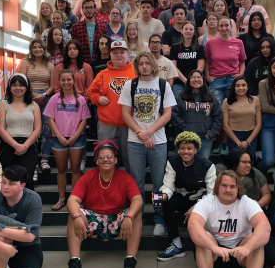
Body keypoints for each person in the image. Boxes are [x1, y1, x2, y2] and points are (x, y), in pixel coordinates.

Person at [188, 170, 271, 268]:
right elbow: (193, 225)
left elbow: (265, 227)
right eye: (224, 185)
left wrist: (247, 248)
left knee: (255, 239)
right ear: (217, 187)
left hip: (241, 257)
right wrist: (214, 247)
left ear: (238, 188)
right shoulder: (207, 201)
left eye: (232, 186)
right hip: (214, 256)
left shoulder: (247, 202)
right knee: (203, 237)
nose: (228, 190)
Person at [64, 140, 143, 268]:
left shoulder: (124, 177)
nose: (105, 160)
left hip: (118, 221)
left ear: (115, 159)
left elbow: (137, 199)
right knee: (73, 214)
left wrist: (128, 216)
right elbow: (73, 200)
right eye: (102, 157)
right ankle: (74, 265)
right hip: (95, 220)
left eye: (109, 157)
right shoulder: (88, 176)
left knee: (136, 214)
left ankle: (130, 264)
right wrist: (76, 216)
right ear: (96, 160)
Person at [119, 51, 177, 237]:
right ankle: (138, 216)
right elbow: (126, 114)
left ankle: (159, 218)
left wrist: (149, 132)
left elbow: (167, 115)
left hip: (158, 141)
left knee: (159, 184)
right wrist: (141, 134)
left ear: (153, 64)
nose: (144, 66)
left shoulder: (162, 85)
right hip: (135, 142)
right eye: (141, 63)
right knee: (136, 182)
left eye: (147, 63)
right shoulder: (131, 84)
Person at [156, 131, 217, 261]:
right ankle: (176, 244)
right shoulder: (172, 162)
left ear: (196, 150)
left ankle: (207, 243)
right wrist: (163, 196)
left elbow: (212, 193)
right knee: (163, 201)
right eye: (182, 148)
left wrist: (197, 206)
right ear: (178, 149)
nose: (185, 152)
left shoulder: (207, 165)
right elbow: (168, 185)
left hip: (201, 200)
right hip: (182, 197)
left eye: (189, 148)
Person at [44, 69, 91, 211]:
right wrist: (59, 136)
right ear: (59, 82)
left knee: (76, 169)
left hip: (76, 138)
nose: (66, 82)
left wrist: (75, 136)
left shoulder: (81, 99)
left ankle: (75, 199)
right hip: (59, 139)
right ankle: (61, 199)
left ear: (73, 81)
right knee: (61, 170)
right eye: (63, 80)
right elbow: (50, 119)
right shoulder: (54, 99)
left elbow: (84, 120)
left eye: (69, 80)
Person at [88, 41, 137, 172]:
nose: (119, 55)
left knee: (130, 160)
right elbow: (91, 93)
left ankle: (129, 189)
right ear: (110, 54)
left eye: (122, 52)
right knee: (107, 159)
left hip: (129, 124)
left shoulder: (136, 73)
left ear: (128, 54)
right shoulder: (102, 74)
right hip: (107, 124)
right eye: (115, 52)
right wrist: (98, 98)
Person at [0, 74, 41, 190]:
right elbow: (1, 128)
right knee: (10, 182)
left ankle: (28, 207)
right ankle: (11, 207)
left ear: (26, 87)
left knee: (27, 180)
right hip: (8, 147)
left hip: (29, 147)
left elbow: (37, 128)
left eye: (21, 85)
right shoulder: (3, 105)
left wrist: (24, 146)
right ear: (9, 88)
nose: (18, 88)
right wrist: (16, 145)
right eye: (14, 85)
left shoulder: (34, 105)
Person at [17, 40, 54, 177]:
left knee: (47, 130)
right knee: (31, 131)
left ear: (44, 49)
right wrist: (32, 95)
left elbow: (52, 86)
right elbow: (21, 81)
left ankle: (44, 159)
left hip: (46, 99)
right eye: (34, 47)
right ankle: (32, 164)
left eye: (40, 47)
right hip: (28, 97)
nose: (37, 49)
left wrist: (43, 95)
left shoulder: (50, 65)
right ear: (31, 49)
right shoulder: (25, 63)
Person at [172, 70, 222, 162]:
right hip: (185, 139)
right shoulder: (180, 97)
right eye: (193, 77)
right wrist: (184, 128)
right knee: (184, 165)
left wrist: (212, 132)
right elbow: (174, 115)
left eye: (199, 77)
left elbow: (218, 117)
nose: (196, 80)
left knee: (202, 165)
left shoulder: (211, 98)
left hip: (205, 139)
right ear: (189, 80)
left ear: (203, 79)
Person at [204, 18, 246, 105]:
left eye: (226, 25)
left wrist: (240, 74)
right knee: (217, 109)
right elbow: (207, 61)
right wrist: (207, 76)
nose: (224, 28)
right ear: (218, 28)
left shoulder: (239, 43)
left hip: (232, 80)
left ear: (231, 26)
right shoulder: (210, 43)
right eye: (221, 26)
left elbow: (242, 62)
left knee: (233, 107)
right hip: (216, 80)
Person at [223, 77, 261, 157]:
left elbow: (259, 124)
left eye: (243, 85)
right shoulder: (227, 102)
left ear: (247, 87)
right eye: (237, 86)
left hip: (251, 135)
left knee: (250, 160)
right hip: (234, 135)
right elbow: (225, 125)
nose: (241, 88)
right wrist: (238, 142)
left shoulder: (255, 100)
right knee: (235, 161)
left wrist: (248, 142)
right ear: (233, 87)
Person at [169, 21, 205, 95]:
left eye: (191, 29)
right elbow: (174, 67)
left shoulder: (199, 48)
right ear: (182, 31)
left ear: (194, 32)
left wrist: (192, 80)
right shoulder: (174, 47)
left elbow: (200, 67)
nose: (188, 31)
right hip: (179, 82)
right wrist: (186, 80)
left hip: (196, 82)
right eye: (186, 29)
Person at [70, 0, 108, 66]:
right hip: (82, 63)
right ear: (82, 9)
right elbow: (74, 47)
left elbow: (106, 47)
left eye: (91, 7)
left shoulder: (103, 27)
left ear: (95, 8)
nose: (89, 10)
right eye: (86, 7)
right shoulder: (76, 27)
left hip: (98, 63)